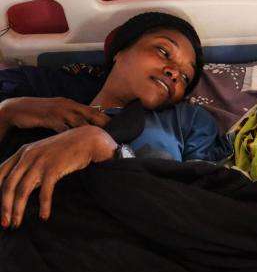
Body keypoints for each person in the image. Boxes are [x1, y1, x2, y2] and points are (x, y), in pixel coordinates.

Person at [0, 12, 230, 229]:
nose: (174, 73)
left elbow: (201, 202)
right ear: (119, 51)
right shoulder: (47, 100)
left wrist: (110, 152)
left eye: (185, 77)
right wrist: (8, 112)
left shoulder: (186, 120)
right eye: (163, 51)